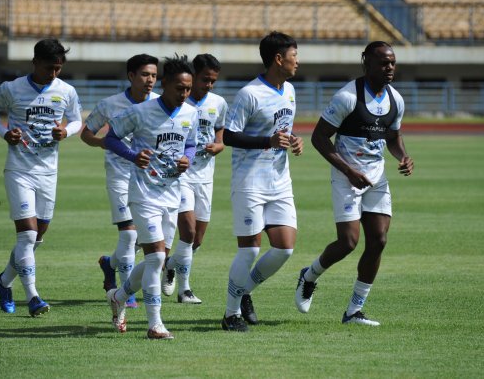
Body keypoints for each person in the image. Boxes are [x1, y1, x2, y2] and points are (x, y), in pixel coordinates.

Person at [295, 41, 414, 326]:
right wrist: (348, 171)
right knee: (348, 242)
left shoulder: (396, 100)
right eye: (383, 63)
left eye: (393, 63)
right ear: (367, 63)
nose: (389, 68)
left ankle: (353, 311)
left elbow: (393, 137)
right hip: (346, 176)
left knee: (379, 241)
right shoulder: (347, 97)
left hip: (377, 179)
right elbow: (319, 138)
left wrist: (403, 155)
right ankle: (308, 275)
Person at [0, 38, 82, 317]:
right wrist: (5, 133)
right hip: (19, 170)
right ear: (35, 62)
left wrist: (67, 131)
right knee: (26, 235)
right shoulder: (12, 89)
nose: (54, 74)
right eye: (50, 67)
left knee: (36, 238)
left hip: (48, 173)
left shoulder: (66, 91)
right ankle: (33, 297)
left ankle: (3, 283)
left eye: (59, 68)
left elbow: (76, 120)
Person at [103, 54, 198, 340]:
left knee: (158, 258)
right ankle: (155, 324)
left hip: (172, 194)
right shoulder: (142, 112)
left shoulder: (190, 114)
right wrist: (134, 156)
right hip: (143, 194)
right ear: (165, 83)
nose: (184, 94)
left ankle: (118, 296)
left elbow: (191, 144)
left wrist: (187, 159)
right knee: (157, 256)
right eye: (179, 88)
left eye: (188, 89)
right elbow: (110, 137)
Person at [220, 31, 303, 332]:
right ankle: (231, 315)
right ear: (279, 59)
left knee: (284, 248)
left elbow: (280, 130)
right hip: (249, 181)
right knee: (250, 250)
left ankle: (244, 293)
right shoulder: (249, 94)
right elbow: (229, 135)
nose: (298, 62)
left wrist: (292, 140)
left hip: (279, 180)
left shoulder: (290, 90)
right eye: (294, 56)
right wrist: (267, 141)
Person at [80, 54, 159, 309]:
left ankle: (109, 263)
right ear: (131, 76)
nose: (150, 80)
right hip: (120, 175)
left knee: (142, 238)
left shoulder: (161, 103)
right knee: (129, 234)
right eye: (145, 75)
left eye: (154, 75)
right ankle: (127, 292)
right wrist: (107, 143)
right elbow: (86, 134)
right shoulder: (110, 105)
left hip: (151, 180)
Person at [161, 54, 228, 304]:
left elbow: (220, 129)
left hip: (206, 176)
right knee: (187, 232)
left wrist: (219, 145)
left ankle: (170, 264)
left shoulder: (219, 103)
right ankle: (184, 289)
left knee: (197, 239)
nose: (208, 85)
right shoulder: (178, 102)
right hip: (182, 176)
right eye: (205, 80)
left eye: (213, 81)